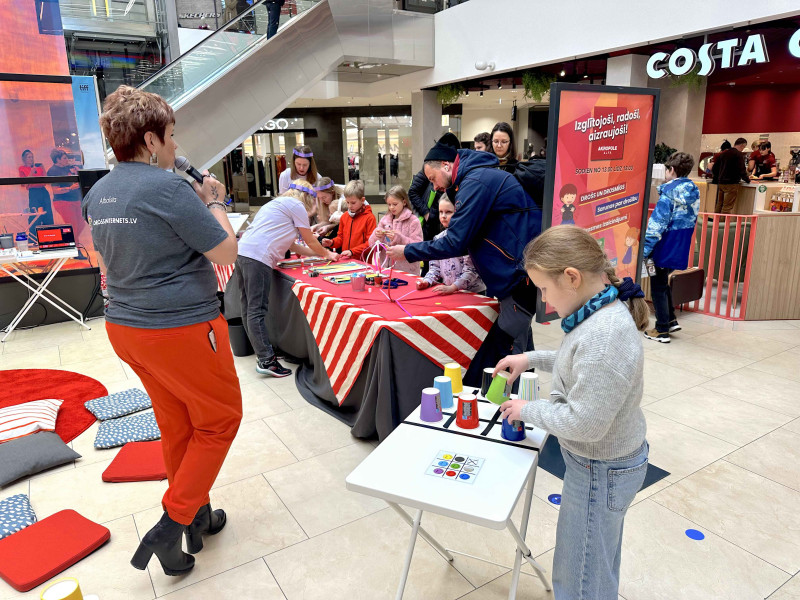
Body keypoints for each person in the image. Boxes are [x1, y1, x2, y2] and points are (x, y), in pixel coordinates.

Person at [83, 85, 242, 576]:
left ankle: (196, 516)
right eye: (171, 136)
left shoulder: (98, 193)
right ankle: (171, 524)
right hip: (181, 329)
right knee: (219, 421)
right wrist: (213, 201)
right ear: (150, 140)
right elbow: (225, 253)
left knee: (178, 423)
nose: (176, 147)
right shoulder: (170, 188)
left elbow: (103, 257)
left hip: (126, 328)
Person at [494, 225, 649, 600]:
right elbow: (575, 361)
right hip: (603, 466)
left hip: (599, 469)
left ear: (572, 278)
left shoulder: (604, 333)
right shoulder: (598, 313)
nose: (545, 300)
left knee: (579, 577)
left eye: (545, 290)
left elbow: (585, 423)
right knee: (593, 563)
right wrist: (530, 358)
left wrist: (526, 409)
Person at [387, 135, 542, 381]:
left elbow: (456, 241)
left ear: (447, 166)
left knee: (507, 349)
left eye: (432, 179)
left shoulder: (476, 182)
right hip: (514, 275)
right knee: (518, 342)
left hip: (518, 276)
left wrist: (408, 251)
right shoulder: (472, 180)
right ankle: (521, 399)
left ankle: (510, 408)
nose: (434, 187)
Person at [237, 180, 339, 377]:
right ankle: (266, 360)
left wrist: (316, 254)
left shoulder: (277, 204)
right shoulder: (297, 206)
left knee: (248, 307)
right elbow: (309, 239)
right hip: (259, 258)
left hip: (244, 254)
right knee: (256, 310)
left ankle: (262, 351)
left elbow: (293, 245)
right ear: (309, 198)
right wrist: (327, 254)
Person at [642, 152, 700, 343]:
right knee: (662, 282)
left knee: (657, 286)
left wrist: (645, 249)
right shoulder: (692, 192)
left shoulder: (668, 194)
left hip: (662, 246)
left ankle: (661, 330)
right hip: (680, 245)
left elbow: (657, 225)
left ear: (671, 170)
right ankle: (671, 320)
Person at [408, 133, 461, 271]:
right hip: (431, 220)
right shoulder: (429, 168)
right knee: (431, 262)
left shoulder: (462, 184)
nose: (435, 186)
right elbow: (412, 191)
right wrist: (426, 213)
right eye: (431, 180)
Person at [417, 195, 485, 295]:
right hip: (449, 291)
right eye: (441, 212)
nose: (443, 216)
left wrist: (453, 287)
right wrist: (427, 281)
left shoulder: (468, 238)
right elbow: (435, 267)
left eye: (448, 212)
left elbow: (471, 270)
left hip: (473, 293)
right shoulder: (438, 239)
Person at [368, 185, 423, 275]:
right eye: (389, 204)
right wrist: (377, 236)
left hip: (407, 272)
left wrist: (400, 238)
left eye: (395, 204)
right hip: (386, 271)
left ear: (404, 202)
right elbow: (373, 247)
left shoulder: (413, 221)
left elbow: (418, 248)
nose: (391, 207)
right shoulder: (384, 220)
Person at [322, 179, 376, 259]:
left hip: (363, 262)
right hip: (346, 260)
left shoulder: (370, 218)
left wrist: (352, 251)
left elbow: (371, 243)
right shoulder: (345, 216)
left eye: (353, 203)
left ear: (362, 200)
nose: (350, 206)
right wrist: (331, 242)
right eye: (347, 202)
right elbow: (340, 238)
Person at [47, 148, 87, 246]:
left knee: (81, 223)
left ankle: (69, 244)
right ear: (58, 159)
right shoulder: (53, 171)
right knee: (73, 226)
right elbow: (55, 190)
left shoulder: (68, 167)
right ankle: (76, 249)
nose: (67, 160)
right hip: (63, 202)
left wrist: (78, 173)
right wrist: (70, 188)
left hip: (76, 200)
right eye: (64, 158)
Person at [18, 149, 54, 233]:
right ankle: (34, 237)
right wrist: (31, 172)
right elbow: (25, 184)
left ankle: (50, 234)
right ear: (24, 159)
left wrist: (43, 168)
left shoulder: (38, 168)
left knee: (47, 213)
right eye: (29, 157)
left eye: (32, 157)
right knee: (35, 215)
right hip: (33, 192)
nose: (31, 159)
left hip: (43, 191)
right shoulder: (22, 168)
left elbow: (46, 180)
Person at [712, 137, 750, 214]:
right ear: (742, 145)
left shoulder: (723, 153)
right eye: (744, 147)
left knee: (719, 204)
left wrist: (718, 178)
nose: (743, 149)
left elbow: (715, 168)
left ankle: (715, 224)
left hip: (721, 183)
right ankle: (722, 225)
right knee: (727, 207)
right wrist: (748, 180)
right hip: (732, 183)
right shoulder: (738, 155)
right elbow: (741, 170)